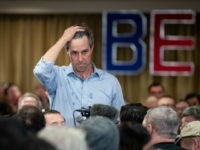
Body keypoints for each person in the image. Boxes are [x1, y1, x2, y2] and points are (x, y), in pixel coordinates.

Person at [33, 24, 125, 126]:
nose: (80, 59)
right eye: (74, 53)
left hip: (99, 141)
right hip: (64, 140)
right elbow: (40, 70)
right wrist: (63, 39)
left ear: (92, 49)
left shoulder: (110, 81)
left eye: (85, 52)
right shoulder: (58, 76)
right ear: (67, 51)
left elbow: (119, 121)